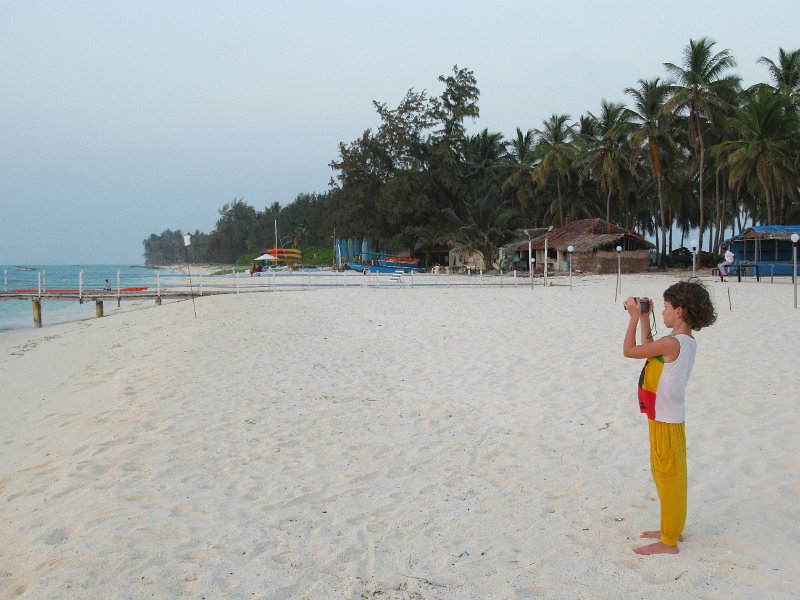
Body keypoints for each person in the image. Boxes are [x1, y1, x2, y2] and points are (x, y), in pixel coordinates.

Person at [622, 280, 717, 555]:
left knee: (668, 477)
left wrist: (632, 317)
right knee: (666, 474)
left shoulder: (672, 344)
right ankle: (670, 528)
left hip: (666, 420)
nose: (662, 312)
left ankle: (669, 540)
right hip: (665, 417)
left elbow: (630, 350)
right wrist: (645, 317)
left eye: (665, 307)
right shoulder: (682, 342)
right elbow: (650, 346)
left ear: (679, 311)